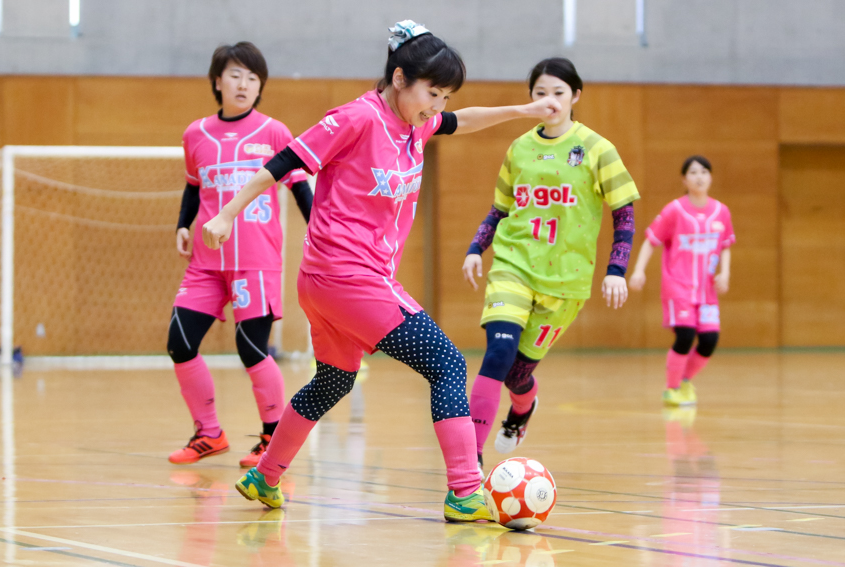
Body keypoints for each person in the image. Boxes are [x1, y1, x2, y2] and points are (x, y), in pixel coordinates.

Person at [202, 21, 561, 522]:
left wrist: (521, 111)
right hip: (348, 277)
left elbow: (462, 120)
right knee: (447, 364)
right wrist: (225, 214)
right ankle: (464, 491)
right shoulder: (357, 118)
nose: (437, 105)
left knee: (333, 381)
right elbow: (284, 161)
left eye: (445, 96)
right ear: (398, 78)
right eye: (432, 93)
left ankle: (265, 476)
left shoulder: (418, 123)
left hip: (329, 283)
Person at [462, 58, 640, 474]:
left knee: (517, 374)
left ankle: (522, 409)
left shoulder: (598, 149)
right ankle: (471, 458)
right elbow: (500, 209)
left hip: (565, 281)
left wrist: (616, 270)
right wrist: (476, 248)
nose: (550, 101)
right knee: (498, 353)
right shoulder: (519, 149)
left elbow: (624, 214)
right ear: (531, 98)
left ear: (575, 96)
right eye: (541, 93)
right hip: (513, 265)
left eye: (559, 92)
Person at [167, 42, 313, 467]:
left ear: (260, 87)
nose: (244, 84)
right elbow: (193, 186)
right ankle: (209, 434)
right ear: (218, 81)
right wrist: (183, 224)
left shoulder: (275, 132)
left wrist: (321, 233)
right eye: (235, 75)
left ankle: (272, 438)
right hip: (206, 263)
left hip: (256, 261)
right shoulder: (195, 134)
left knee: (251, 348)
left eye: (252, 77)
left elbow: (300, 187)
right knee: (180, 342)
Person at [629, 155, 735, 405]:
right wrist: (638, 271)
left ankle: (684, 380)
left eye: (704, 172)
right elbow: (651, 240)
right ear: (684, 179)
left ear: (710, 177)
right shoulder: (674, 210)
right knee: (685, 335)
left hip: (707, 291)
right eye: (693, 172)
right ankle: (672, 389)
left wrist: (725, 272)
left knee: (709, 340)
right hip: (678, 287)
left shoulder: (721, 211)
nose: (699, 177)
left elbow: (726, 245)